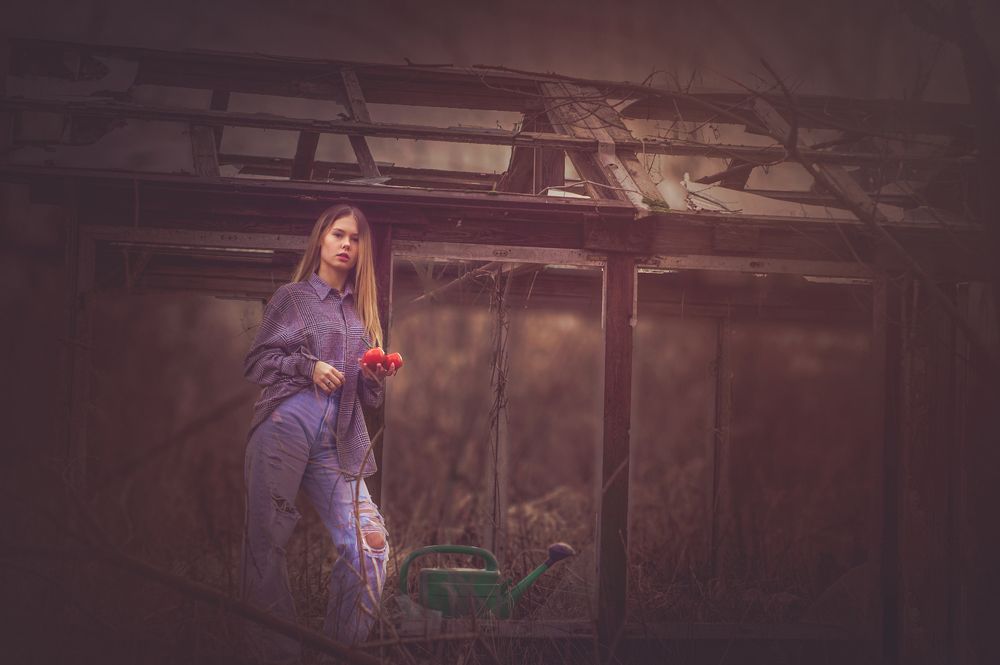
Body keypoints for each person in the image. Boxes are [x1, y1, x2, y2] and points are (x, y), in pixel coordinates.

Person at [239, 204, 395, 663]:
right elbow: (256, 362)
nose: (347, 244)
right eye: (339, 234)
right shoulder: (293, 298)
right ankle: (276, 655)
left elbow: (370, 400)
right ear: (321, 241)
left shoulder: (363, 314)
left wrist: (373, 377)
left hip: (340, 437)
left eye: (356, 238)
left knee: (371, 544)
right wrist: (310, 367)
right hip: (287, 423)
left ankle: (335, 653)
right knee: (265, 543)